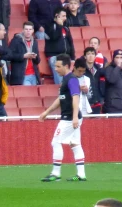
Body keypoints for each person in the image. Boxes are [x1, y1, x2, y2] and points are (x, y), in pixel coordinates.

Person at [39, 54, 86, 183]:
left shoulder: (71, 80)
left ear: (66, 66)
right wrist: (47, 112)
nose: (55, 68)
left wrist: (75, 117)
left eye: (58, 66)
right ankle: (81, 175)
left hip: (69, 118)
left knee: (56, 142)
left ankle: (56, 173)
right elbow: (61, 99)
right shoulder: (66, 80)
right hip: (73, 117)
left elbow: (76, 97)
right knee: (75, 144)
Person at [45, 7, 75, 85]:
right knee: (61, 79)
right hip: (55, 56)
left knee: (69, 77)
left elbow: (70, 43)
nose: (65, 18)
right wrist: (59, 26)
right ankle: (62, 90)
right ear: (57, 16)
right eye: (63, 16)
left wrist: (73, 58)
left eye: (65, 16)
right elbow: (54, 37)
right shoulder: (50, 26)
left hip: (66, 56)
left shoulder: (66, 28)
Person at [101, 49, 122, 114]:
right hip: (113, 108)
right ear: (113, 58)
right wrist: (118, 67)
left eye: (121, 57)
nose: (119, 59)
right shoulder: (109, 69)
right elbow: (112, 80)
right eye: (117, 57)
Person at [8, 22, 41, 86]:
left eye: (30, 29)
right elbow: (9, 55)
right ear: (23, 30)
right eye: (26, 29)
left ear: (33, 31)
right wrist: (23, 56)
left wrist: (35, 57)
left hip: (34, 74)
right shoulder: (16, 41)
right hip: (21, 75)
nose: (28, 31)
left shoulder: (35, 42)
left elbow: (38, 60)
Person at [80, 46, 104, 113]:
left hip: (97, 103)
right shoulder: (80, 70)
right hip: (84, 104)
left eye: (92, 54)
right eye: (88, 54)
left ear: (95, 56)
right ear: (85, 57)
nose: (90, 56)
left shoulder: (99, 69)